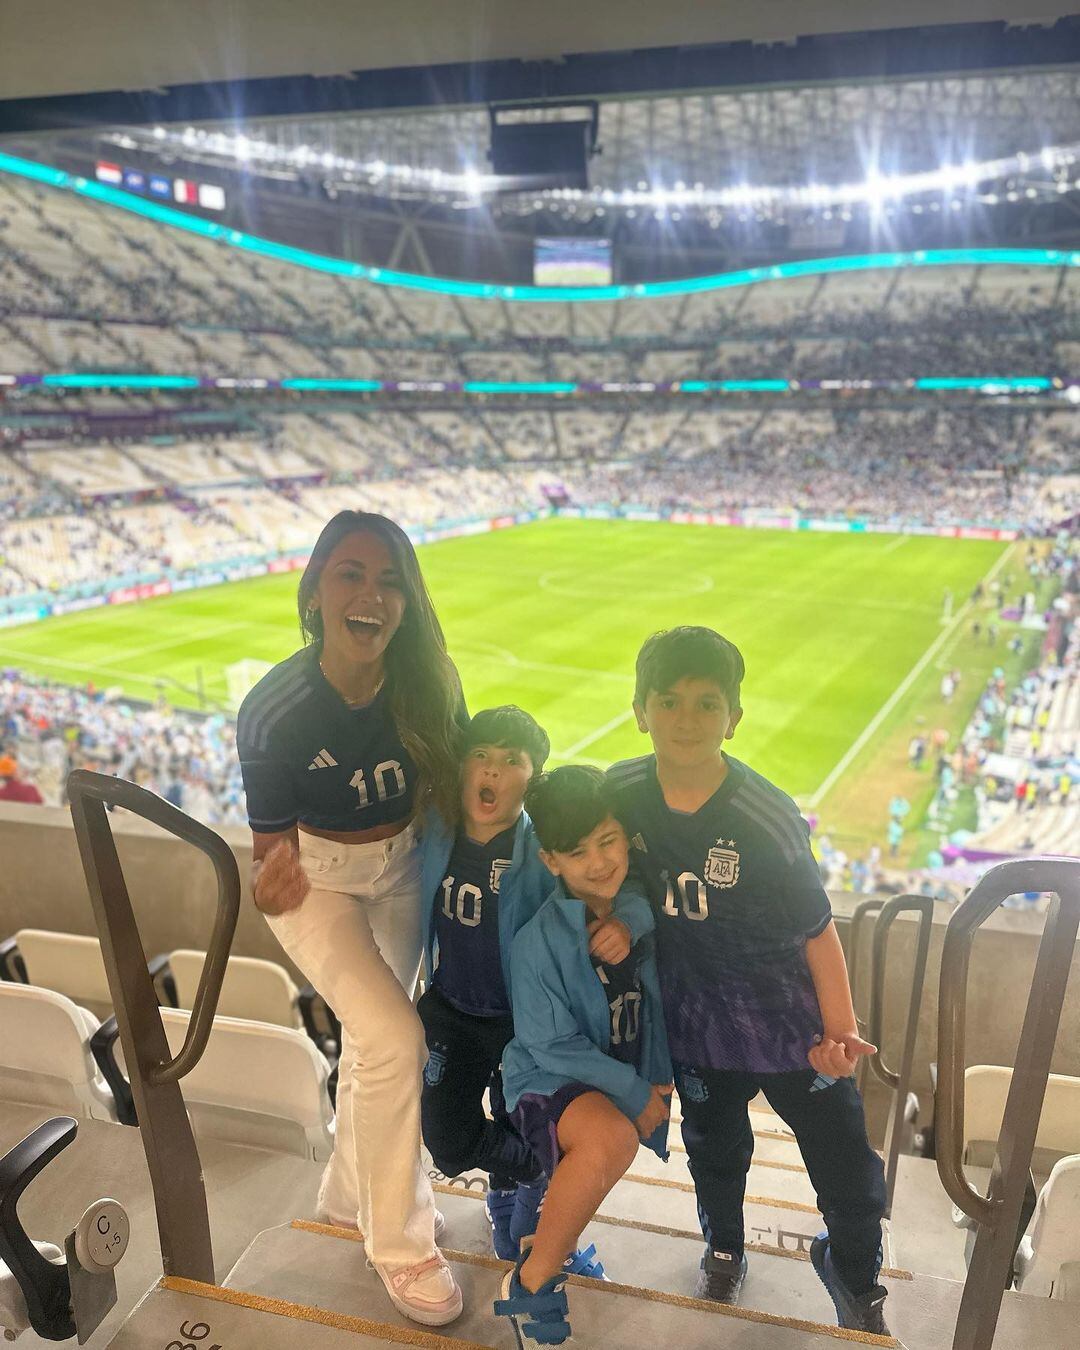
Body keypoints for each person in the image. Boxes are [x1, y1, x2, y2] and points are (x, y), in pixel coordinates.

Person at [608, 627, 890, 1335]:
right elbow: (568, 859)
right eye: (668, 701)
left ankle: (857, 1276)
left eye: (707, 704)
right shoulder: (617, 793)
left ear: (735, 716)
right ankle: (724, 1246)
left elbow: (818, 929)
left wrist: (837, 1031)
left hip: (789, 1025)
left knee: (845, 1164)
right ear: (640, 710)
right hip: (695, 1025)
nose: (687, 719)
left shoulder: (767, 816)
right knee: (714, 1148)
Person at [236, 510, 465, 1327]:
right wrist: (270, 883)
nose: (372, 595)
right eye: (351, 574)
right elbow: (271, 858)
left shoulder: (429, 681)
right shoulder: (274, 711)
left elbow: (448, 792)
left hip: (403, 867)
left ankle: (345, 1197)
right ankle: (400, 1245)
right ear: (317, 590)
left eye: (390, 580)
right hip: (319, 883)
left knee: (375, 1044)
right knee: (397, 1038)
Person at [418, 706, 649, 1259]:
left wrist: (629, 922)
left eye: (511, 759)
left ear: (532, 775)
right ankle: (533, 1169)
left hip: (524, 1025)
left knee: (513, 1113)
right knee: (447, 1144)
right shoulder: (435, 832)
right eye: (481, 755)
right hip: (450, 1009)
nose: (493, 770)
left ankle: (515, 1204)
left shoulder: (541, 847)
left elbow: (619, 886)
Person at [495, 766, 672, 1346]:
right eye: (578, 852)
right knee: (610, 1141)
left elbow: (651, 990)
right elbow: (548, 1043)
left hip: (606, 1076)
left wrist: (657, 1078)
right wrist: (634, 1090)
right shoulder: (537, 943)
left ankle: (545, 1243)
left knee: (595, 1159)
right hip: (544, 1077)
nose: (600, 862)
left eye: (608, 841)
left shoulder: (633, 908)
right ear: (551, 862)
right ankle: (530, 1283)